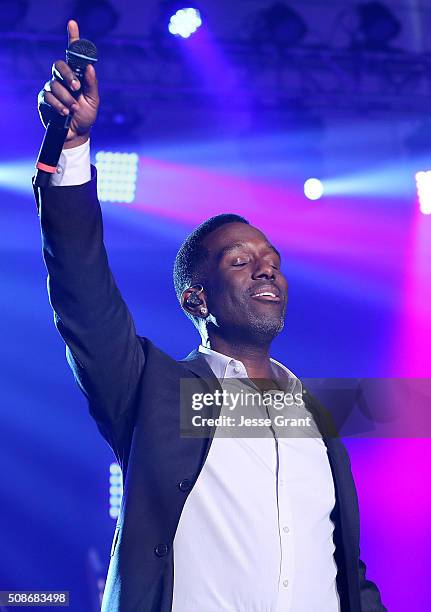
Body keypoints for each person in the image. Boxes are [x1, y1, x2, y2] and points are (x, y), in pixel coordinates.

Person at [34, 19, 387, 612]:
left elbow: (344, 569)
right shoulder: (153, 391)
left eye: (272, 260)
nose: (266, 269)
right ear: (196, 297)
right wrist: (69, 152)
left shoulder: (316, 416)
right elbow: (84, 296)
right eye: (240, 261)